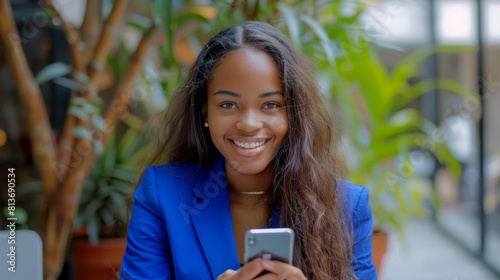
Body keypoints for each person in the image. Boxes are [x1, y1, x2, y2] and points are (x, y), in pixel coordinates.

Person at [120, 21, 377, 280]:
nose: (249, 124)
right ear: (204, 108)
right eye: (228, 104)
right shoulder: (162, 195)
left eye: (270, 105)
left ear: (293, 113)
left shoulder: (346, 208)